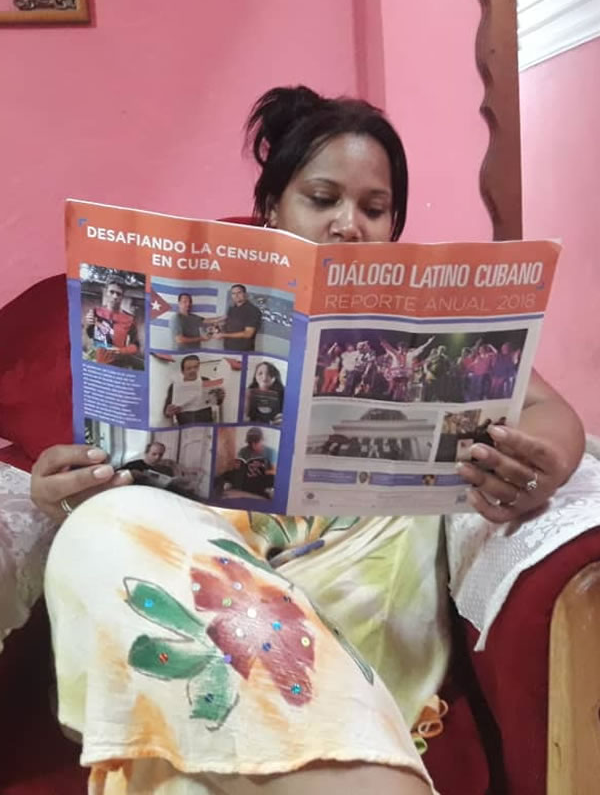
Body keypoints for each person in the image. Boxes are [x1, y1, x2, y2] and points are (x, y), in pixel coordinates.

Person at [32, 85, 586, 795]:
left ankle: (342, 762)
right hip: (216, 575)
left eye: (374, 208)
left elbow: (550, 412)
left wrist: (541, 460)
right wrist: (68, 491)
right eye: (322, 199)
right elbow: (110, 481)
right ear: (271, 209)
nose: (348, 224)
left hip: (361, 583)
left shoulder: (425, 322)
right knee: (102, 525)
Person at [82, 274, 144, 369]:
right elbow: (90, 334)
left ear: (122, 296)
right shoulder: (96, 312)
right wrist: (90, 324)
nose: (115, 296)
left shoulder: (129, 318)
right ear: (106, 292)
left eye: (118, 294)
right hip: (100, 365)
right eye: (112, 292)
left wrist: (122, 351)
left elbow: (136, 346)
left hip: (119, 366)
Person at [163, 354, 224, 425]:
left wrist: (220, 397)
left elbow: (217, 402)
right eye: (189, 368)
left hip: (206, 425)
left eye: (195, 367)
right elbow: (167, 411)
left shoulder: (206, 380)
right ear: (183, 371)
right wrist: (168, 412)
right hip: (185, 426)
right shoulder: (175, 386)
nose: (193, 370)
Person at [212, 284, 262, 352]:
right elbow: (229, 327)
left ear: (245, 294)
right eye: (233, 293)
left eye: (239, 293)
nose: (236, 295)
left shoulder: (252, 310)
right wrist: (217, 329)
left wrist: (223, 335)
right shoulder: (232, 309)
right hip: (227, 349)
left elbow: (248, 334)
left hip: (243, 352)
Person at [245, 360, 285, 424]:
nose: (264, 377)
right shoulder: (247, 393)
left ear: (275, 377)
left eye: (269, 373)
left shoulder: (284, 395)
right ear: (255, 376)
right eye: (260, 373)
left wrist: (284, 419)